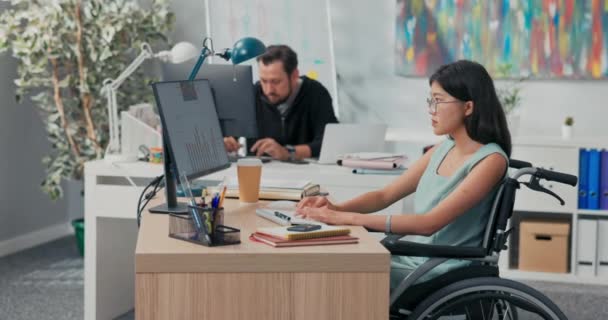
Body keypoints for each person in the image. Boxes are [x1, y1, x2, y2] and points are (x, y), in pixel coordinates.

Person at [296, 60, 511, 289]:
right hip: (415, 258)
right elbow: (384, 196)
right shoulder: (443, 148)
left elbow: (428, 224)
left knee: (339, 273)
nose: (431, 109)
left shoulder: (491, 161)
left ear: (468, 107)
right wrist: (334, 209)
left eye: (438, 101)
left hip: (441, 267)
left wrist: (348, 219)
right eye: (430, 100)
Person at [223, 45, 338, 161]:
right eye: (263, 80)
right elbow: (231, 133)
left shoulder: (316, 93)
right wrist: (227, 142)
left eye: (276, 81)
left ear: (294, 76)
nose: (268, 90)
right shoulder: (252, 94)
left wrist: (288, 152)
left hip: (307, 171)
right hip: (262, 172)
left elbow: (329, 143)